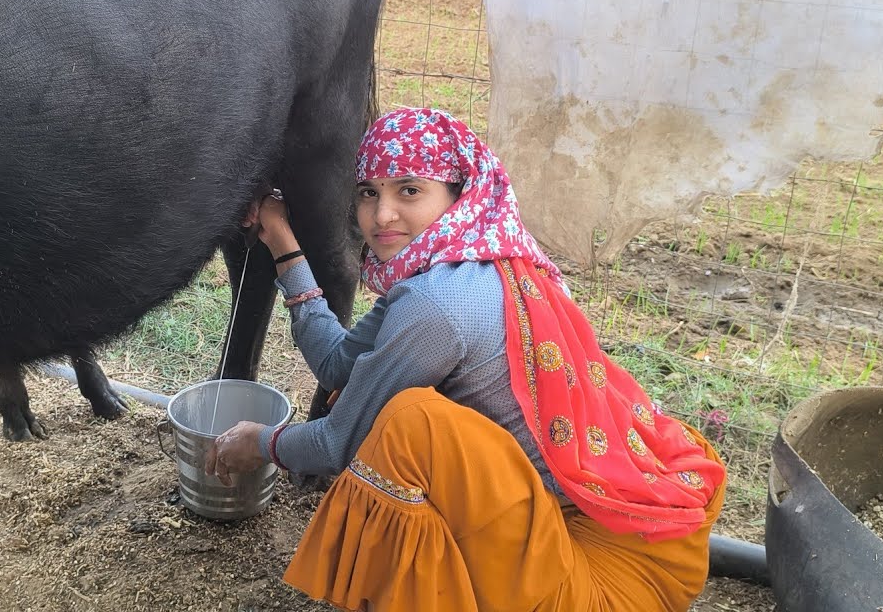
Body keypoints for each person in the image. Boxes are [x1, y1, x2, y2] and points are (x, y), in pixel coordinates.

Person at [206, 107, 727, 612]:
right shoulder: (485, 260)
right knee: (388, 408)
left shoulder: (434, 304)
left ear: (458, 196)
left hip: (583, 578)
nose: (381, 215)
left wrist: (258, 441)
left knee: (407, 428)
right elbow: (340, 364)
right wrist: (282, 241)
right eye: (369, 193)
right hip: (619, 531)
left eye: (409, 190)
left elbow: (337, 442)